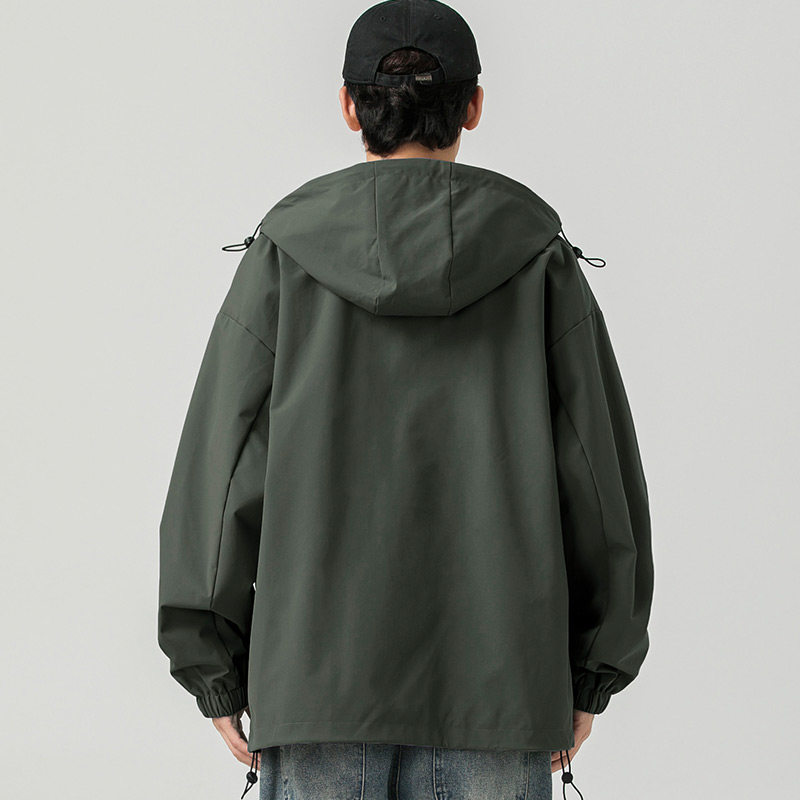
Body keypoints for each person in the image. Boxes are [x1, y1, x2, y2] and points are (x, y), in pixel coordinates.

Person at [157, 1, 655, 798]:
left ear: (349, 106)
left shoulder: (285, 257)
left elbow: (219, 480)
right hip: (501, 691)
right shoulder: (537, 259)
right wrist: (595, 669)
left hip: (317, 691)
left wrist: (212, 667)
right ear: (474, 105)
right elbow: (599, 480)